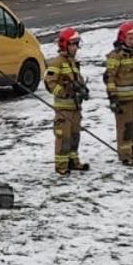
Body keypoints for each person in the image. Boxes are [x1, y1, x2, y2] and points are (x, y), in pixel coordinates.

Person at [45, 28, 91, 175]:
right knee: (63, 137)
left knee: (74, 135)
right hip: (64, 109)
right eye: (73, 44)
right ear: (64, 45)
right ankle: (61, 165)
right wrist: (64, 93)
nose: (75, 48)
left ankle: (73, 161)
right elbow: (49, 82)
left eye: (77, 44)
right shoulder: (57, 63)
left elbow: (78, 79)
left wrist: (83, 89)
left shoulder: (73, 62)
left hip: (75, 107)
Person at [103, 21, 133, 164]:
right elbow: (109, 78)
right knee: (126, 128)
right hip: (123, 100)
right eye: (129, 38)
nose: (132, 41)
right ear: (122, 38)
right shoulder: (116, 56)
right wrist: (113, 98)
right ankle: (125, 156)